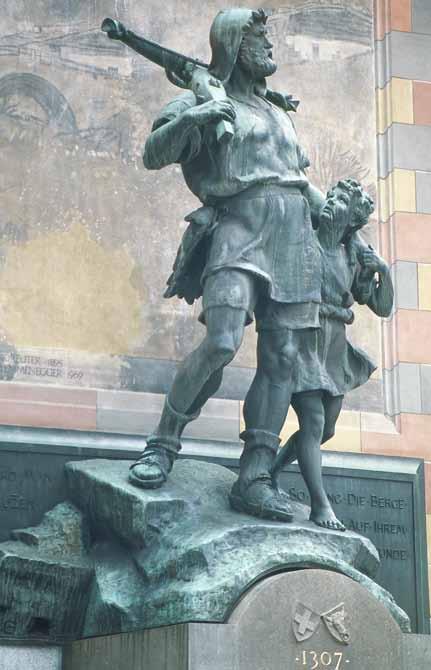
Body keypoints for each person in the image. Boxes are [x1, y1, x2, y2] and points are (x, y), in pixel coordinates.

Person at [128, 7, 326, 522]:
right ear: (236, 43)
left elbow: (301, 181)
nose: (271, 49)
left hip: (293, 235)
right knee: (221, 341)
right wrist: (195, 117)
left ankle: (255, 477)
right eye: (261, 39)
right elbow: (153, 154)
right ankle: (162, 444)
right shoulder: (202, 99)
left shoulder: (277, 111)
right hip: (239, 225)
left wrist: (346, 229)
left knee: (282, 356)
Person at [271, 179, 394, 530]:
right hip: (304, 338)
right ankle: (320, 504)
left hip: (335, 347)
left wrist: (383, 271)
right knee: (312, 421)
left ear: (352, 220)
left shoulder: (351, 256)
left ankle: (272, 471)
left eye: (340, 201)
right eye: (332, 196)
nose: (330, 202)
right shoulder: (302, 240)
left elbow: (383, 308)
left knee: (326, 430)